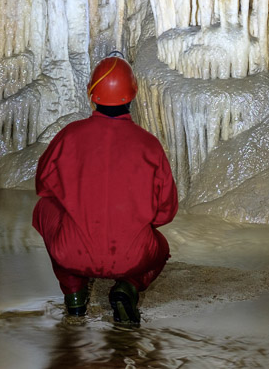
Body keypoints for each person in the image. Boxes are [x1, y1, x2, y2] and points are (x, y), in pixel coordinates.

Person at [32, 55, 178, 328]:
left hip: (72, 250)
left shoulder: (69, 136)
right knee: (161, 247)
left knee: (44, 208)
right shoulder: (150, 146)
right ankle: (128, 287)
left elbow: (43, 185)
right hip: (131, 255)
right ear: (131, 96)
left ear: (92, 95)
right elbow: (165, 213)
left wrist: (77, 200)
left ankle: (74, 293)